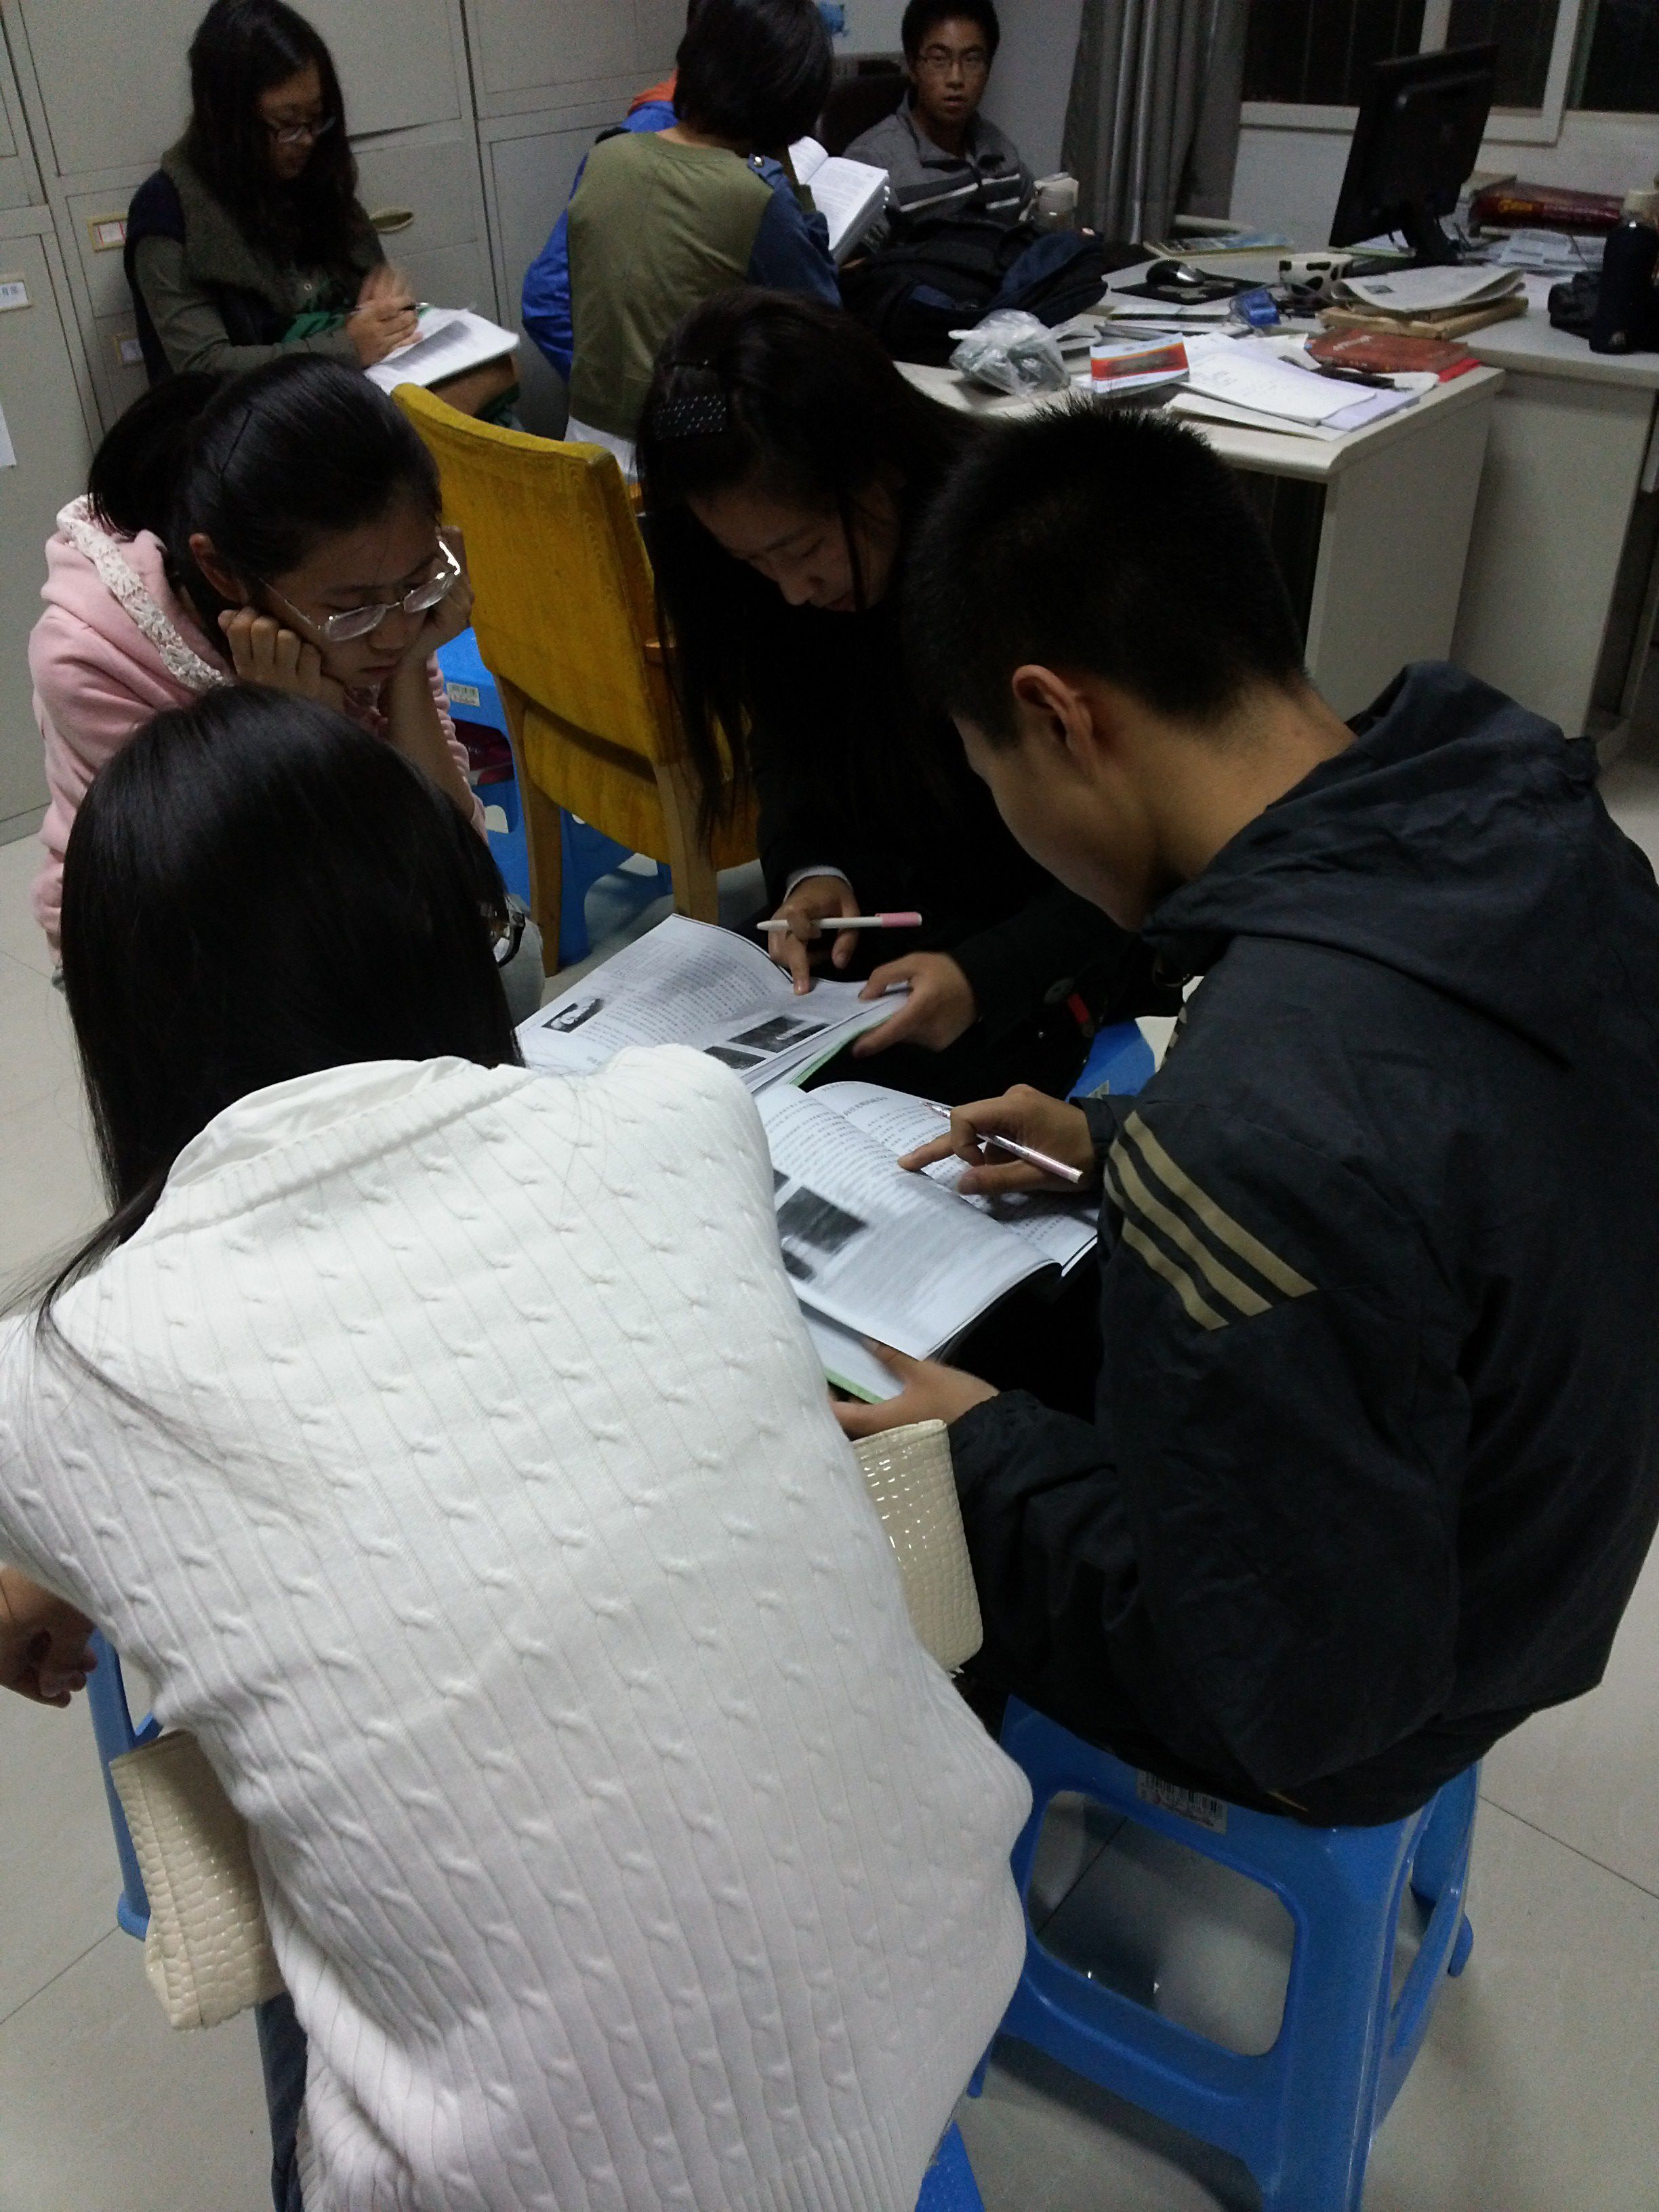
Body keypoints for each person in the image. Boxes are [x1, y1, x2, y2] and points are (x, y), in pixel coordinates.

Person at [0, 688, 1029, 2212]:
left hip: (530, 2181)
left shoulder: (56, 1369)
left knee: (313, 1925)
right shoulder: (680, 1114)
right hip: (945, 1975)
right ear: (443, 934)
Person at [840, 404, 1659, 1826]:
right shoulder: (1523, 815)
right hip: (1545, 1541)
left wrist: (984, 1454)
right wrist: (1115, 1148)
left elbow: (1290, 1683)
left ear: (1059, 717)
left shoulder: (1254, 1113)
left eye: (994, 777)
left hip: (1382, 1697)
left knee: (901, 1492)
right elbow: (1452, 1144)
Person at [636, 289, 1170, 1104]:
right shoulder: (779, 593)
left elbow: (1143, 856)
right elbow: (789, 749)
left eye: (804, 548)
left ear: (876, 469)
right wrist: (812, 871)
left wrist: (985, 975)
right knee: (689, 1090)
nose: (791, 589)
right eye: (753, 563)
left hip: (1045, 937)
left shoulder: (1019, 564)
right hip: (886, 936)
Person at [28, 354, 482, 956]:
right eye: (354, 608)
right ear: (222, 571)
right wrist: (288, 730)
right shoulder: (92, 657)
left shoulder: (382, 603)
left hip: (349, 895)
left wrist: (408, 674)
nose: (396, 632)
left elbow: (457, 864)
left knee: (505, 956)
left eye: (418, 581)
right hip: (166, 946)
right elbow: (252, 913)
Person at [562, 0, 840, 467]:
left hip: (583, 446)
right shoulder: (754, 195)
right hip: (688, 455)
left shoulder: (607, 157)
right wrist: (789, 180)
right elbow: (824, 325)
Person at [125, 0, 417, 382]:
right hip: (260, 410)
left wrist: (386, 298)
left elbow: (369, 280)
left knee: (489, 376)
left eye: (316, 119)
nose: (307, 140)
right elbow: (203, 369)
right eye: (288, 124)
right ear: (227, 120)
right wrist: (346, 349)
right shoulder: (168, 213)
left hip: (356, 387)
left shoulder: (314, 173)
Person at [844, 1, 1030, 228]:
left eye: (972, 60)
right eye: (939, 60)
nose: (956, 79)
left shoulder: (1000, 149)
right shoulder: (872, 163)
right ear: (913, 67)